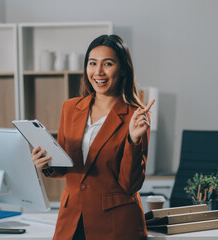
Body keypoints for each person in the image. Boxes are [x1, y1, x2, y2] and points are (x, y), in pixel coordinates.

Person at [31, 34, 155, 240]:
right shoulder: (70, 108)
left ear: (123, 69)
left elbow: (130, 185)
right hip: (71, 220)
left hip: (116, 224)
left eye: (108, 64)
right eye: (92, 63)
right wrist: (46, 163)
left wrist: (133, 140)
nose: (98, 72)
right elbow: (65, 167)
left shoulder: (136, 116)